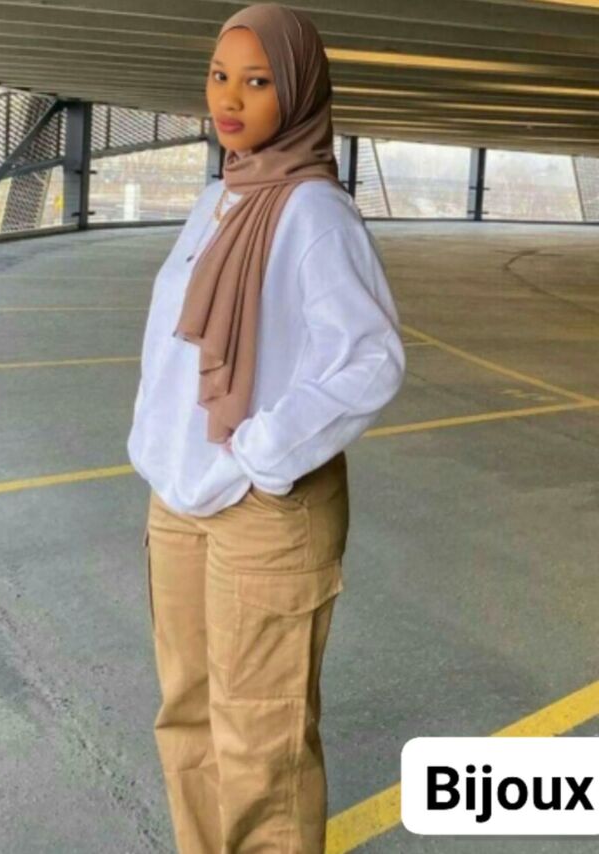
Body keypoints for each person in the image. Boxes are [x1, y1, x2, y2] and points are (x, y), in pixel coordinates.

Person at [126, 3, 406, 851]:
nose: (229, 98)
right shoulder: (219, 197)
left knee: (261, 745)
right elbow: (171, 349)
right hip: (181, 502)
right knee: (187, 719)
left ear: (300, 91)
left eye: (257, 81)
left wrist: (262, 454)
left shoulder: (315, 212)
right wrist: (159, 448)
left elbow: (372, 360)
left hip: (261, 510)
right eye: (220, 76)